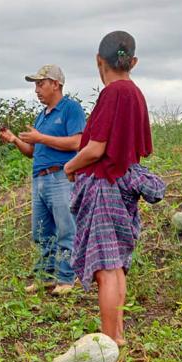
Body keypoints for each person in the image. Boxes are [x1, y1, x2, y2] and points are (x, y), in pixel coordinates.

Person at [64, 31, 166, 345]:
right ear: (133, 61)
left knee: (106, 269)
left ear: (99, 60)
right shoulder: (135, 92)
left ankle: (109, 341)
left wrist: (70, 167)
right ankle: (117, 335)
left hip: (104, 186)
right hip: (123, 185)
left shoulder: (112, 93)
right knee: (116, 264)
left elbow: (96, 148)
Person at [0, 65, 85, 295]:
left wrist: (41, 138)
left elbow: (78, 142)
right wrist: (16, 140)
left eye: (40, 84)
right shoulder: (42, 115)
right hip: (40, 178)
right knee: (41, 232)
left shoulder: (71, 109)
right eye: (35, 85)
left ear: (55, 84)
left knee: (67, 229)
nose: (36, 90)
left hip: (61, 177)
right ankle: (46, 276)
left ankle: (67, 278)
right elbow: (32, 151)